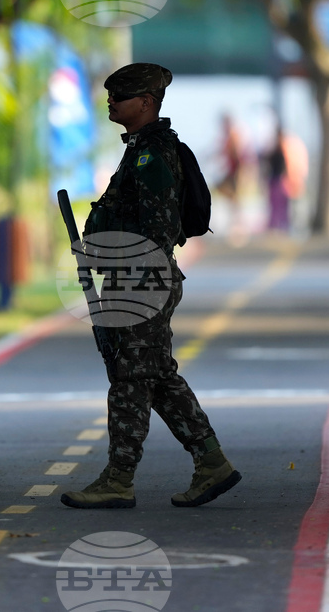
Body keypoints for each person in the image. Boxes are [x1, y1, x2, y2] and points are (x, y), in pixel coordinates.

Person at [59, 63, 241, 510]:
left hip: (142, 280)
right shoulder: (139, 149)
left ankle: (118, 479)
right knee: (154, 376)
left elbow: (159, 228)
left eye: (120, 96)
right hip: (135, 277)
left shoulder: (152, 154)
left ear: (145, 102)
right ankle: (211, 461)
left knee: (129, 378)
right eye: (110, 95)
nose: (111, 101)